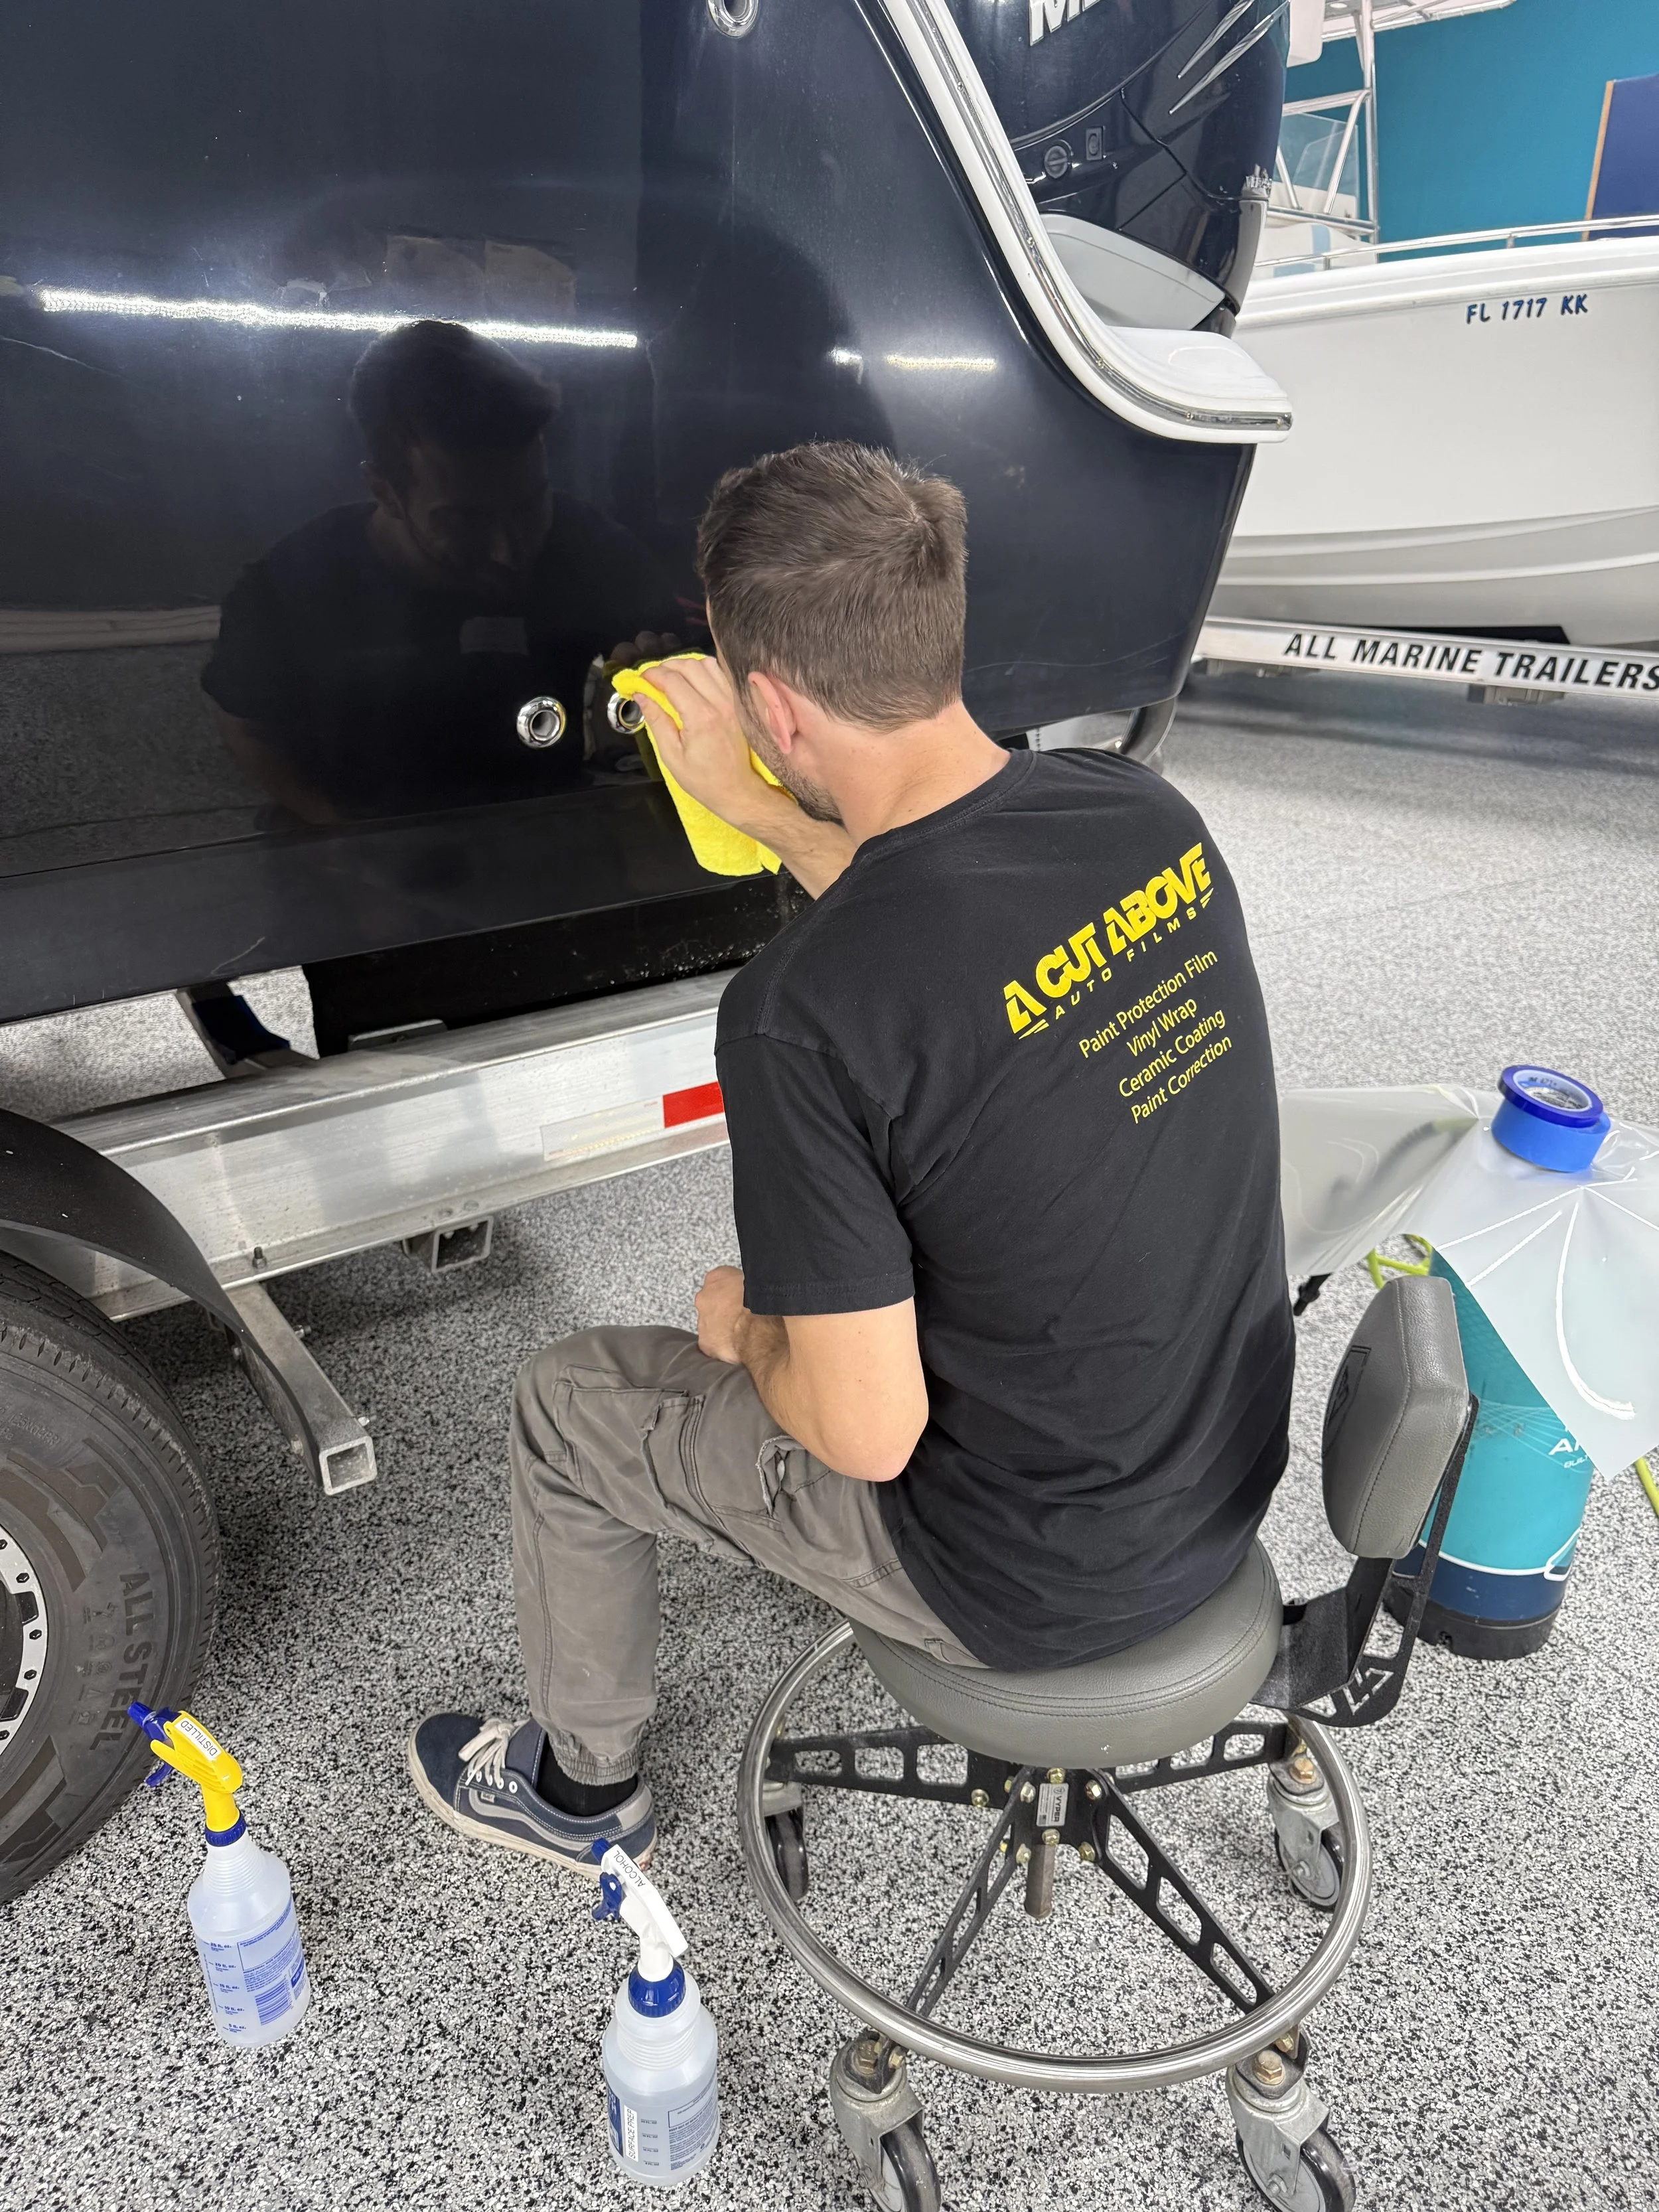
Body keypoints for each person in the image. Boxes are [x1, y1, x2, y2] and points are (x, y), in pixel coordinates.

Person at [408, 442, 1293, 1872]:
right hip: (1219, 1479)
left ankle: (583, 1794)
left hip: (1015, 1579)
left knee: (567, 1401)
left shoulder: (798, 1016)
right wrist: (766, 813)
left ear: (766, 703)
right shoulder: (1141, 818)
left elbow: (866, 1435)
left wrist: (744, 1332)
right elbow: (938, 924)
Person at [202, 319, 682, 822]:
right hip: (357, 850)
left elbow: (679, 671)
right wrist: (338, 838)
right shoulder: (295, 585)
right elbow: (246, 723)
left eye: (528, 506)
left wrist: (666, 675)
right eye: (463, 520)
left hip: (543, 840)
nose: (506, 550)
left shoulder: (593, 551)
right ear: (386, 491)